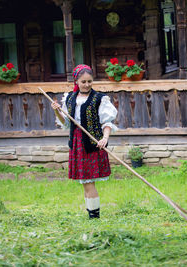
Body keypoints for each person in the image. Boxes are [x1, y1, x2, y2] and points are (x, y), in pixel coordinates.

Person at [51, 64, 118, 219]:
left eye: (89, 81)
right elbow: (66, 123)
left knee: (89, 182)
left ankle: (94, 217)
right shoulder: (70, 98)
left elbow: (107, 122)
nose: (87, 85)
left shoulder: (99, 99)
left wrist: (105, 138)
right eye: (83, 82)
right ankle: (91, 214)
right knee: (84, 182)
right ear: (77, 82)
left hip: (92, 143)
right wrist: (56, 110)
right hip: (77, 143)